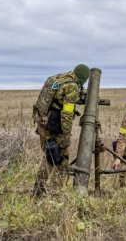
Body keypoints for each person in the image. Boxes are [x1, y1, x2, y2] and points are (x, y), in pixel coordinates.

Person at [32, 64, 90, 196]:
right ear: (83, 78)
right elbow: (67, 114)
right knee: (61, 161)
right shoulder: (72, 87)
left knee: (49, 155)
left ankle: (38, 191)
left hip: (42, 123)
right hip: (53, 127)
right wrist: (66, 135)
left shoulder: (58, 78)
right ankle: (55, 194)